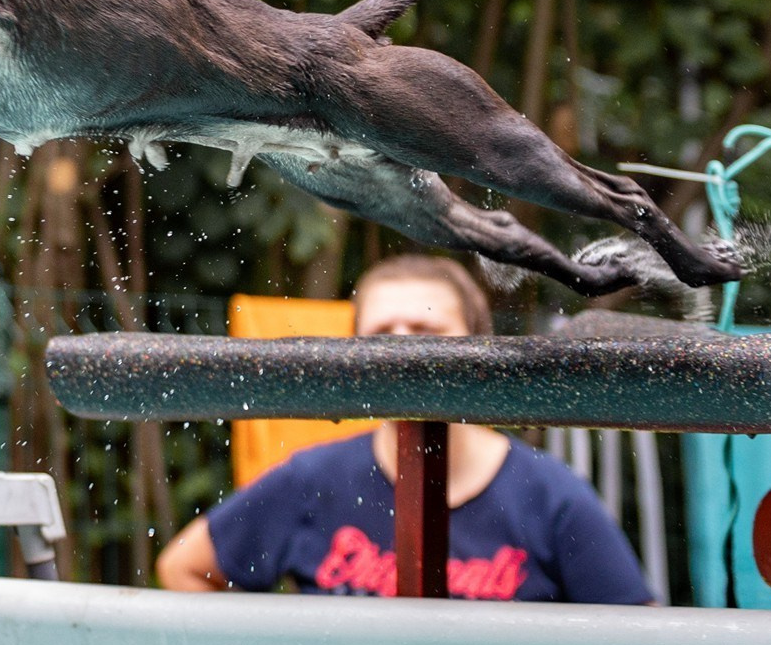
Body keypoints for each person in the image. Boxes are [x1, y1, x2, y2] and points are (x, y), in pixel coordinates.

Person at [154, 255, 653, 604]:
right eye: (381, 333)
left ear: (480, 348)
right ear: (352, 355)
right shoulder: (313, 479)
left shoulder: (550, 495)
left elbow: (637, 638)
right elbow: (183, 568)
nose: (401, 348)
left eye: (426, 331)